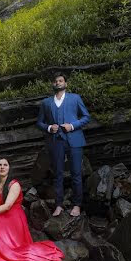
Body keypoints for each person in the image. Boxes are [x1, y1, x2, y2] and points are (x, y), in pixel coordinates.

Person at [37, 73, 92, 217]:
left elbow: (86, 117)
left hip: (74, 140)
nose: (58, 83)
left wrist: (72, 126)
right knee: (58, 174)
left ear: (65, 84)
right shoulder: (46, 103)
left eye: (61, 81)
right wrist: (49, 128)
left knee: (76, 173)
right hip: (55, 142)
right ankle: (59, 205)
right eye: (55, 81)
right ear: (53, 85)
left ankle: (77, 205)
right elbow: (39, 123)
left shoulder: (75, 98)